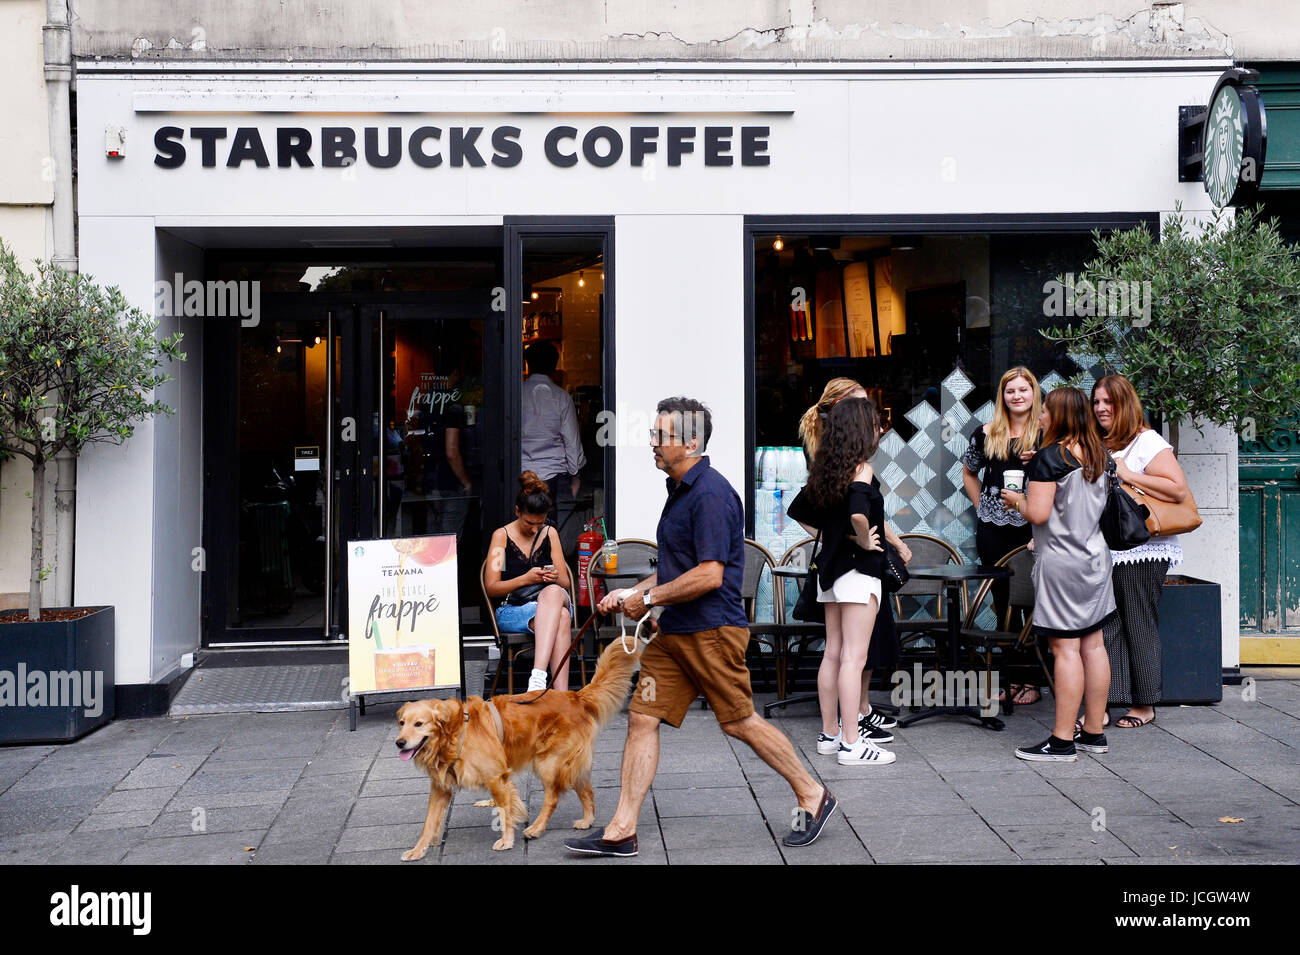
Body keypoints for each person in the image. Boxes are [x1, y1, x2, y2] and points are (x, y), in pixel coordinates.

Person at [564, 396, 835, 856]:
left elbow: (710, 574)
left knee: (740, 722)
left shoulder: (710, 494)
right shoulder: (681, 489)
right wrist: (630, 593)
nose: (652, 443)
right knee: (642, 718)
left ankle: (813, 793)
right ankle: (621, 829)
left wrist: (647, 599)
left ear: (691, 442)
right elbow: (676, 569)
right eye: (652, 433)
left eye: (660, 436)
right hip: (674, 637)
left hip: (712, 632)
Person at [793, 377, 911, 743]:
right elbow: (860, 513)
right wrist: (861, 537)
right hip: (858, 571)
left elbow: (802, 509)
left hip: (830, 571)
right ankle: (852, 739)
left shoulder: (827, 469)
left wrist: (835, 536)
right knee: (853, 658)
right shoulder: (861, 469)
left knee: (833, 653)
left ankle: (830, 734)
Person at [1001, 387, 1115, 761]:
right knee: (1093, 645)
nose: (1042, 415)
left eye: (1046, 410)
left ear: (1060, 415)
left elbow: (1037, 514)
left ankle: (1062, 740)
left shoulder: (1050, 458)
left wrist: (1016, 497)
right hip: (1095, 558)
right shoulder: (1099, 454)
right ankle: (1094, 731)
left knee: (1064, 648)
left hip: (1062, 562)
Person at [1092, 374, 1190, 730]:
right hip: (1111, 549)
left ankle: (1145, 705)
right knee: (1107, 627)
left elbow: (1177, 489)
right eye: (1097, 402)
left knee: (1137, 622)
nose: (1101, 408)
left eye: (1109, 402)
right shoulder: (1105, 443)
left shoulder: (1147, 441)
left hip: (1143, 550)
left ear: (1125, 404)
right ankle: (1106, 702)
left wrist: (1129, 473)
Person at [962, 366, 1042, 705]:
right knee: (1002, 605)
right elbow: (968, 472)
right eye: (1011, 391)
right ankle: (1010, 679)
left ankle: (1033, 681)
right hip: (994, 533)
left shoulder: (1045, 433)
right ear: (1003, 396)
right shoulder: (986, 432)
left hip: (1033, 530)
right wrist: (984, 505)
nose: (1017, 395)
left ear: (1034, 393)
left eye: (1024, 389)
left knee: (1034, 603)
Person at [484, 472, 575, 692]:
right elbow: (492, 587)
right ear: (517, 511)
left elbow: (565, 582)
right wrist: (526, 579)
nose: (535, 529)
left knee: (553, 592)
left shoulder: (549, 532)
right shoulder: (501, 536)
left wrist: (551, 577)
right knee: (562, 617)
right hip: (514, 608)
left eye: (540, 522)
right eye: (529, 523)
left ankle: (538, 677)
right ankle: (561, 696)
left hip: (550, 599)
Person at [521, 341, 586, 521]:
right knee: (547, 529)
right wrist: (575, 475)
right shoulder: (561, 397)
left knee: (519, 529)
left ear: (527, 363)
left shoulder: (515, 394)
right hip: (550, 476)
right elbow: (572, 441)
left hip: (519, 473)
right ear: (554, 365)